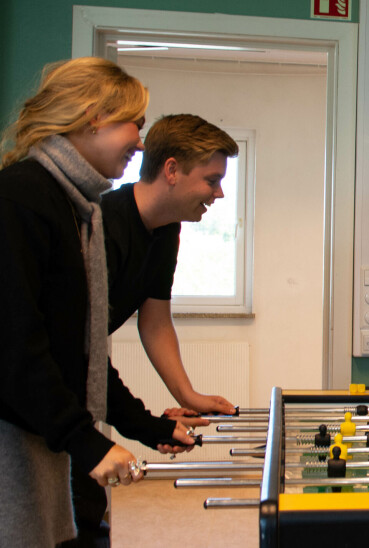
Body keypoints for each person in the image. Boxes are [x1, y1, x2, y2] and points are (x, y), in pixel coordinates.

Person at [0, 57, 194, 547]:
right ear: (92, 116)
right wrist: (85, 441)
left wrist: (147, 428)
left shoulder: (74, 204)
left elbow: (81, 353)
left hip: (44, 442)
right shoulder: (21, 197)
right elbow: (15, 346)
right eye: (135, 123)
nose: (141, 141)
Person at [66, 113, 241, 546]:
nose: (219, 193)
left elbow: (155, 318)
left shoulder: (166, 230)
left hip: (78, 369)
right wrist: (146, 425)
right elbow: (80, 351)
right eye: (212, 179)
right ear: (172, 170)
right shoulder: (101, 224)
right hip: (56, 377)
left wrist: (187, 395)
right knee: (72, 514)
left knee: (88, 510)